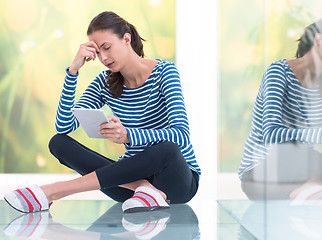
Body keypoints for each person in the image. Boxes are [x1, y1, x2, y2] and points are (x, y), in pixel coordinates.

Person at [4, 11, 200, 213]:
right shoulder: (104, 82)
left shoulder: (164, 72)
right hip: (126, 185)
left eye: (107, 48)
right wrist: (73, 72)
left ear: (126, 39)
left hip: (174, 182)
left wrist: (127, 135)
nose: (103, 58)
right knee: (58, 142)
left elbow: (181, 135)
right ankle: (143, 188)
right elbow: (64, 126)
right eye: (98, 53)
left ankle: (51, 192)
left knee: (166, 149)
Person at [238, 12, 322, 201]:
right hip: (261, 176)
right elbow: (271, 134)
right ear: (319, 39)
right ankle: (314, 189)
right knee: (293, 149)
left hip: (304, 174)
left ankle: (310, 190)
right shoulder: (278, 73)